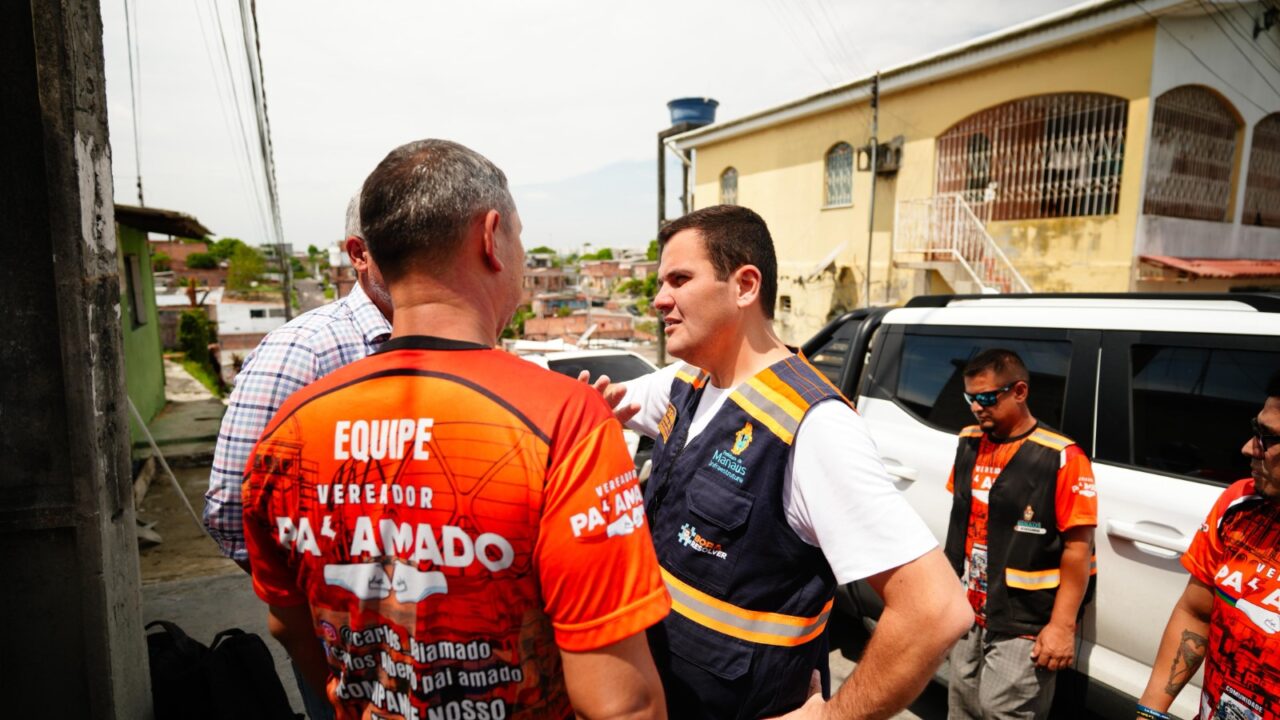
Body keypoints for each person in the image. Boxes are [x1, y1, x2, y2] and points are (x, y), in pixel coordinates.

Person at [241, 139, 670, 720]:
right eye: (519, 236)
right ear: (491, 237)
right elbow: (623, 702)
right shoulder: (566, 420)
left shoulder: (288, 432)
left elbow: (285, 622)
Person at [594, 204, 971, 719]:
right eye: (661, 283)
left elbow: (936, 609)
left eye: (680, 279)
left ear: (745, 286)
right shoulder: (685, 383)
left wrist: (834, 717)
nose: (660, 300)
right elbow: (603, 404)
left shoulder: (814, 426)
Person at [205, 191, 392, 720]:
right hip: (337, 647)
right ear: (358, 253)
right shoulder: (303, 351)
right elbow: (230, 507)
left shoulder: (450, 345)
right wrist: (307, 604)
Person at [944, 349, 1098, 720]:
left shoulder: (1062, 456)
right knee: (961, 707)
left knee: (1004, 712)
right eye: (970, 398)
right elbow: (962, 521)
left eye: (986, 398)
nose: (977, 408)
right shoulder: (968, 440)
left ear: (1019, 391)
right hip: (969, 609)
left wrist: (1062, 627)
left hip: (1024, 619)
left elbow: (1079, 550)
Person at [1136, 373, 1280, 720]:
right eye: (1255, 429)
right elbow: (1196, 611)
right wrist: (1150, 713)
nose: (1249, 447)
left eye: (1268, 438)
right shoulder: (1240, 502)